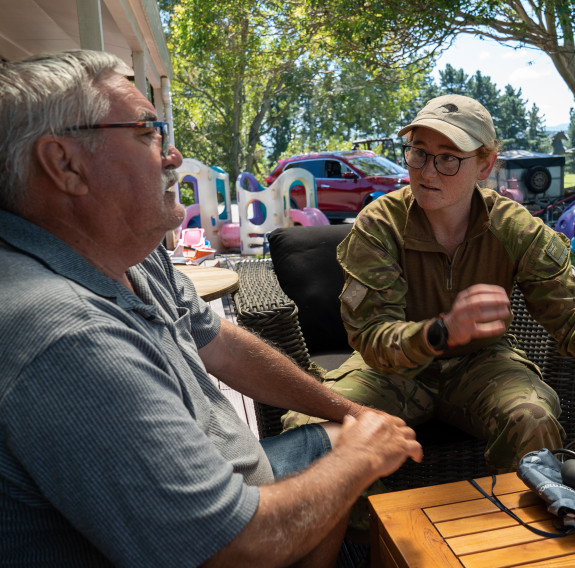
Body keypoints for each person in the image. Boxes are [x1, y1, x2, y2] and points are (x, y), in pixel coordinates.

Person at [0, 50, 422, 567]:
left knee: (343, 443)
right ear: (64, 163)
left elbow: (219, 342)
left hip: (233, 485)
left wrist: (355, 414)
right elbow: (233, 548)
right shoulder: (68, 336)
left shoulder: (130, 251)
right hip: (234, 535)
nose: (173, 154)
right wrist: (362, 454)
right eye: (147, 131)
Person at [283, 94, 575, 474]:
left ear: (485, 164)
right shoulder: (381, 225)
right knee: (310, 432)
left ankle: (518, 528)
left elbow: (568, 318)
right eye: (419, 152)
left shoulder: (512, 226)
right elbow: (372, 337)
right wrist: (441, 331)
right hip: (392, 372)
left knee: (532, 417)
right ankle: (371, 532)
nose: (427, 171)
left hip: (484, 364)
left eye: (449, 157)